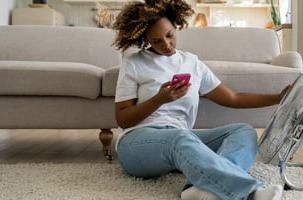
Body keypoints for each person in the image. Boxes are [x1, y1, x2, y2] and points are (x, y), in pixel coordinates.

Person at [112, 0, 290, 199]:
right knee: (180, 138)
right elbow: (122, 119)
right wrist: (159, 99)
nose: (166, 45)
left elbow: (233, 98)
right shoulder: (134, 63)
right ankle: (250, 192)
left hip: (180, 139)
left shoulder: (191, 63)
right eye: (156, 41)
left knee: (243, 132)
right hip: (137, 143)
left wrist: (278, 98)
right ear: (145, 38)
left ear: (176, 25)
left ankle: (200, 190)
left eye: (169, 35)